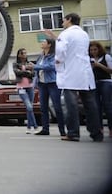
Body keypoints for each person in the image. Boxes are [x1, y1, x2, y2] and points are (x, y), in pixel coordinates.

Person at [45, 13, 103, 142]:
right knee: (90, 105)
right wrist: (56, 37)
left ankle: (73, 133)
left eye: (63, 20)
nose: (62, 23)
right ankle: (96, 133)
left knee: (71, 105)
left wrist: (58, 62)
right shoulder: (84, 34)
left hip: (71, 73)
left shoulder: (66, 34)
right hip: (85, 73)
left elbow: (61, 51)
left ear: (69, 20)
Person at [32, 38, 66, 136]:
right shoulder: (41, 56)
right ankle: (45, 129)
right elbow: (37, 69)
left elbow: (51, 66)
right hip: (42, 84)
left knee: (57, 107)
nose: (42, 43)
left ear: (49, 45)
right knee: (43, 107)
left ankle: (62, 130)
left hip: (52, 83)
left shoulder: (54, 56)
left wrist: (35, 66)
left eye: (44, 42)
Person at [89, 41, 112, 138]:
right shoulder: (89, 59)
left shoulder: (106, 57)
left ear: (99, 49)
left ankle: (111, 128)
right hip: (94, 83)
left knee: (107, 105)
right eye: (91, 50)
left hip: (106, 81)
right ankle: (99, 129)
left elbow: (110, 70)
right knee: (96, 107)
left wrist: (99, 65)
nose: (93, 52)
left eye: (95, 49)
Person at [13, 48, 39, 134]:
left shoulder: (30, 63)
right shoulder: (15, 64)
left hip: (30, 87)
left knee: (29, 108)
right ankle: (35, 127)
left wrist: (24, 71)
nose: (25, 55)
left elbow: (33, 74)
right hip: (21, 88)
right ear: (19, 55)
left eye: (25, 53)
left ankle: (28, 127)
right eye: (23, 53)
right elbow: (17, 73)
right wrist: (27, 72)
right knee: (29, 107)